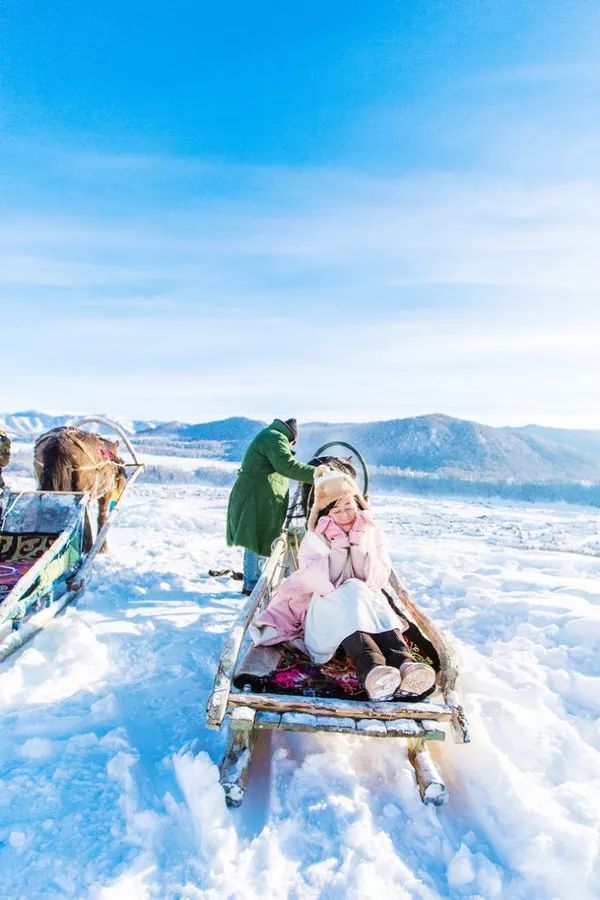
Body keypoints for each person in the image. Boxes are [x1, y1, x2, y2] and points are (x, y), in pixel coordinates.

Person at [250, 466, 436, 700]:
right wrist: (338, 550)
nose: (345, 514)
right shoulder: (315, 538)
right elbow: (319, 583)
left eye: (348, 506)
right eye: (336, 510)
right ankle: (372, 670)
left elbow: (376, 577)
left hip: (365, 599)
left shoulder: (370, 532)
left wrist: (358, 546)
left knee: (366, 596)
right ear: (325, 513)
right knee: (351, 594)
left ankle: (406, 666)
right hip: (329, 604)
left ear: (357, 504)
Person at [226, 418, 316, 594]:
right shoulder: (275, 438)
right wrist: (317, 473)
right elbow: (287, 466)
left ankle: (254, 579)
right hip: (256, 498)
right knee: (254, 538)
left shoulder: (270, 436)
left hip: (261, 499)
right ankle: (252, 584)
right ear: (291, 437)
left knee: (258, 538)